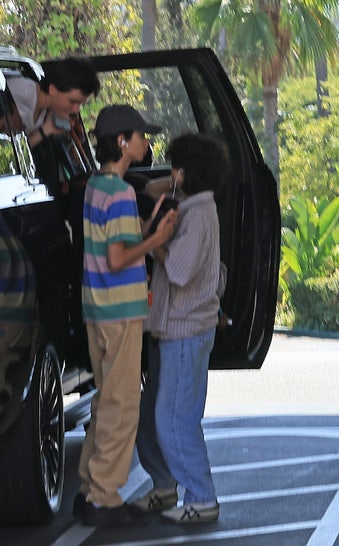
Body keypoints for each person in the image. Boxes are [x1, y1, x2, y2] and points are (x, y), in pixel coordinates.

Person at [75, 104, 177, 527]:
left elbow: (106, 246)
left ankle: (89, 487)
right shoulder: (118, 193)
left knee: (105, 398)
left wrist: (146, 220)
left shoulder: (97, 186)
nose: (147, 141)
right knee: (122, 404)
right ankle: (103, 497)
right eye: (141, 135)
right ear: (122, 142)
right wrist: (157, 236)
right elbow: (118, 258)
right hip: (121, 309)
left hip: (97, 307)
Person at [133, 133, 229, 523]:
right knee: (151, 413)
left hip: (185, 331)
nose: (171, 173)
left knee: (174, 418)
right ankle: (165, 484)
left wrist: (153, 241)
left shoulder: (197, 216)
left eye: (176, 167)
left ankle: (202, 497)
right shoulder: (195, 208)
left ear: (187, 171)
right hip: (173, 328)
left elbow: (178, 270)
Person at [6, 55, 100, 148]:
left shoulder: (45, 113)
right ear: (52, 89)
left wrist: (48, 128)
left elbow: (14, 152)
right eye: (72, 102)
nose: (76, 110)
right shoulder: (18, 92)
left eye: (80, 104)